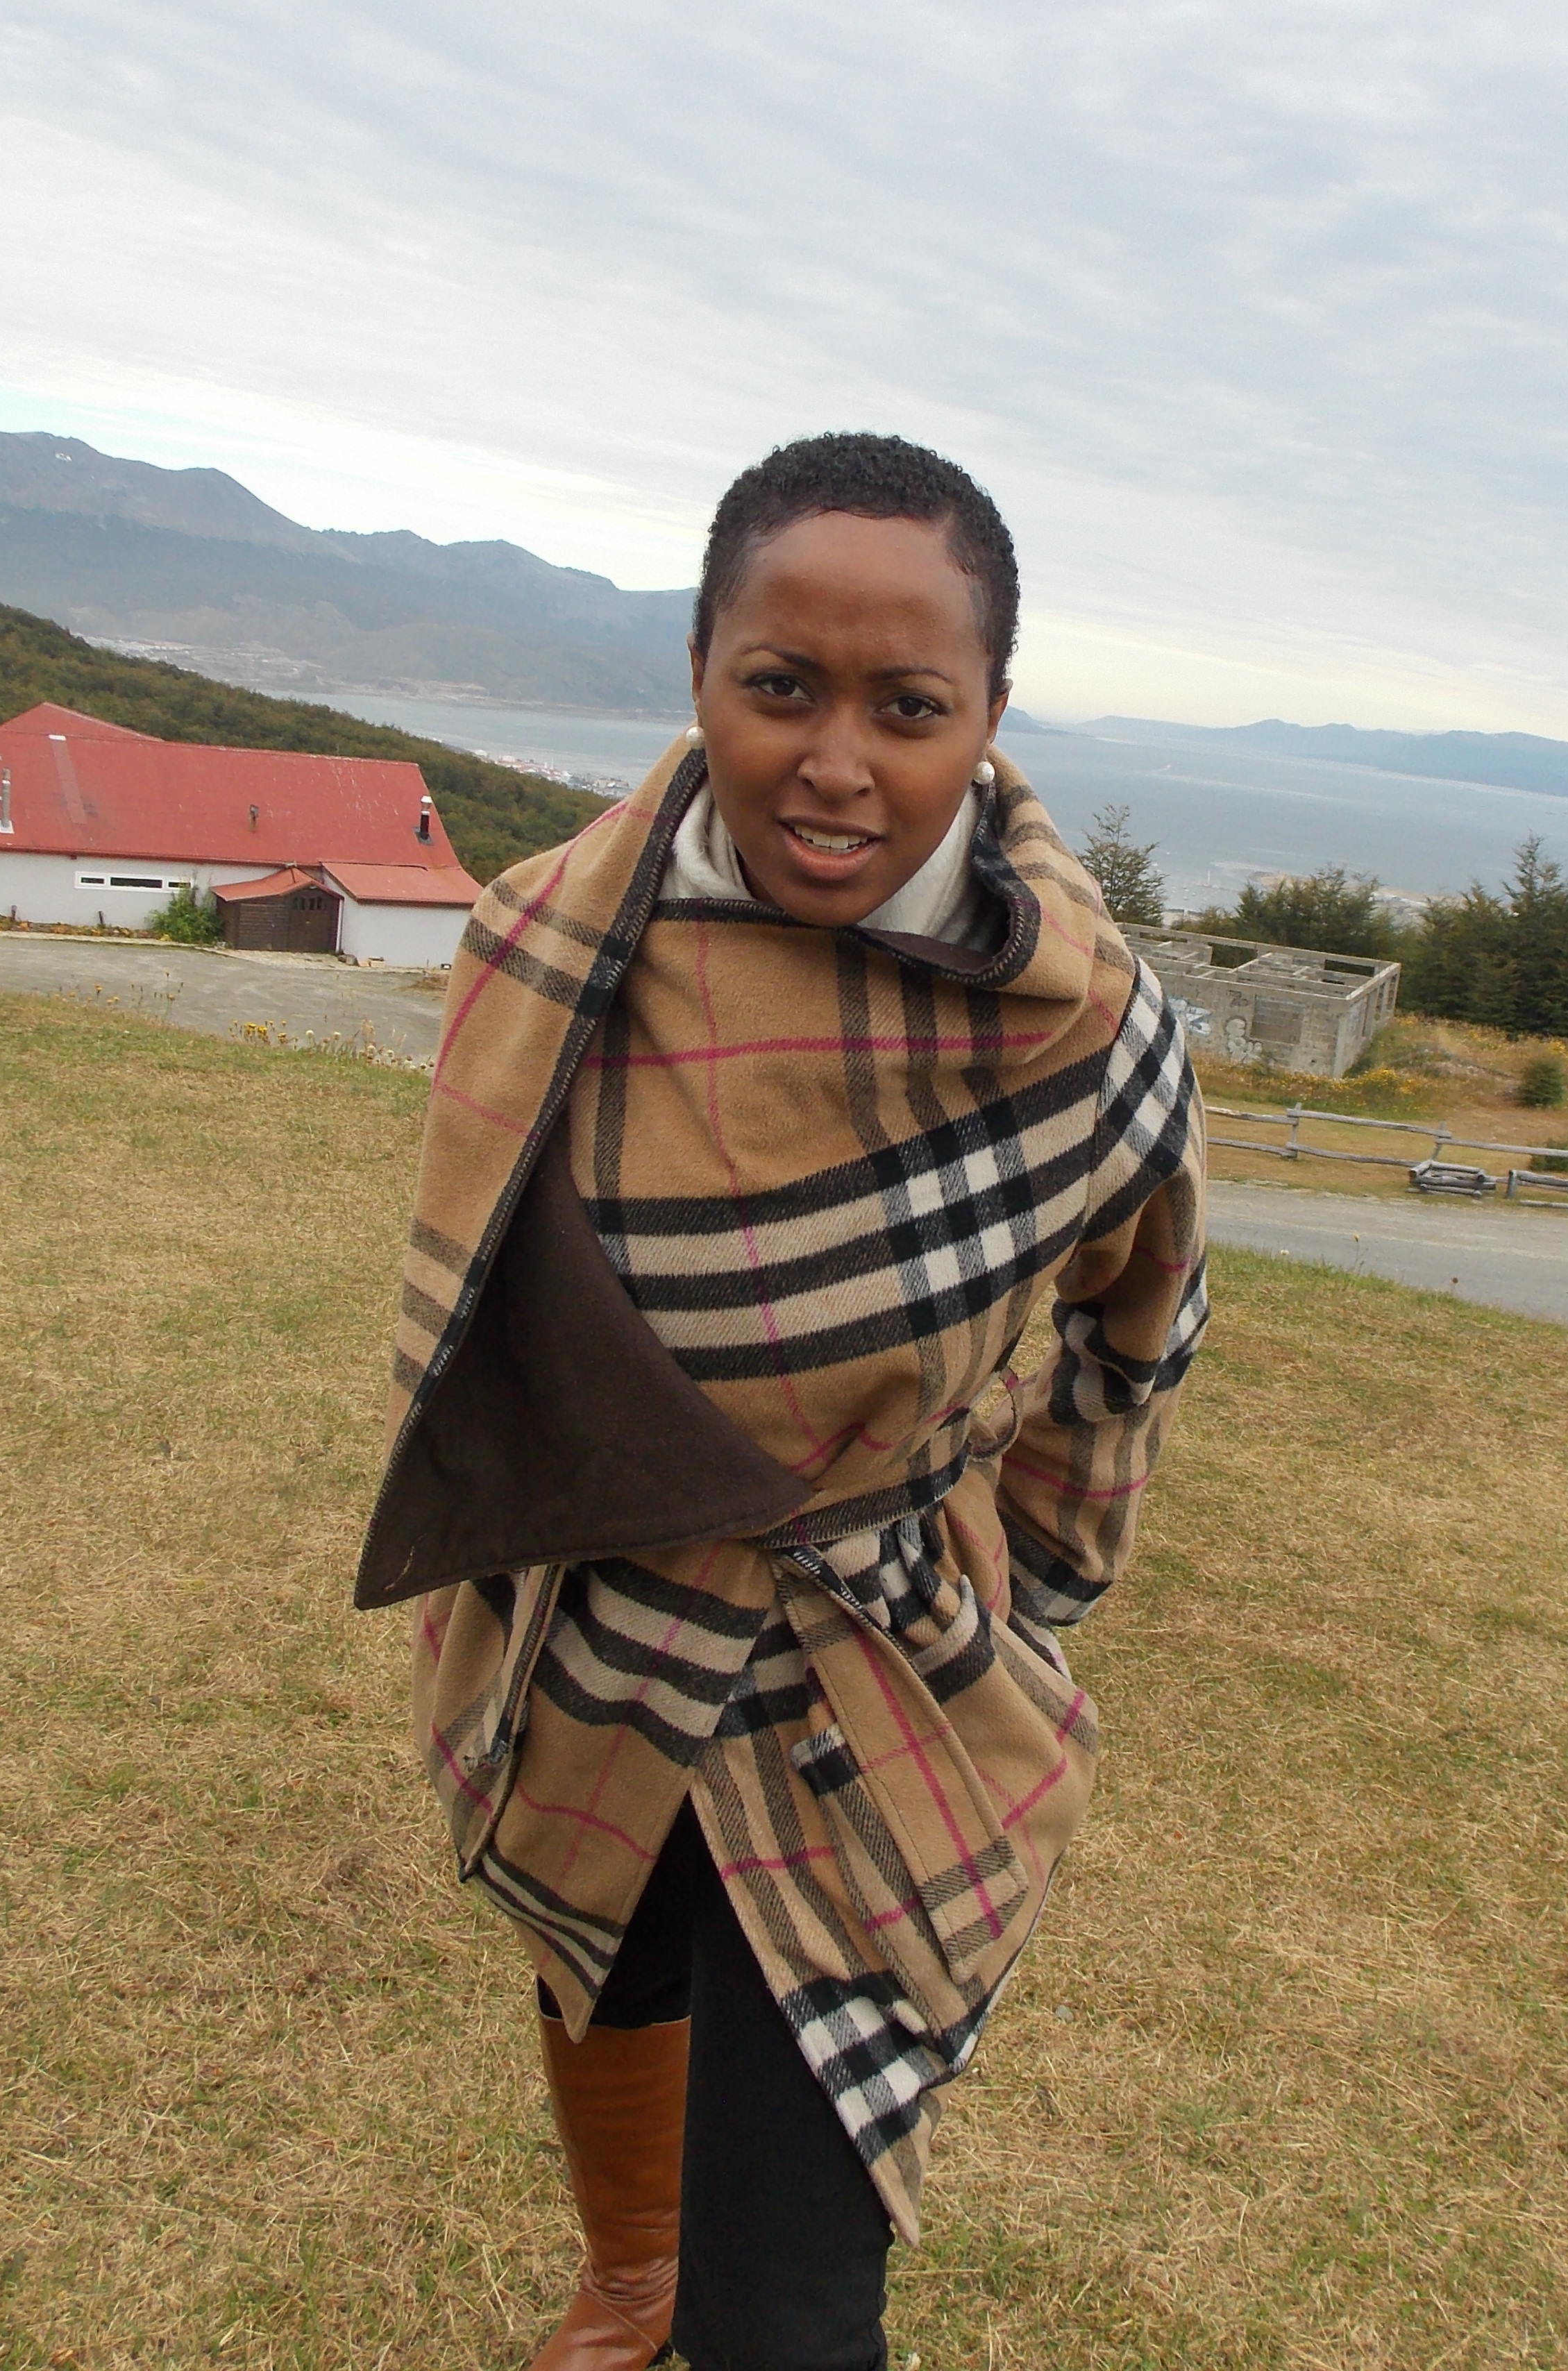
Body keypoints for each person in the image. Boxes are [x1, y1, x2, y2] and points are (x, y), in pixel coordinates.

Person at [353, 433, 1210, 2371]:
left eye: (909, 707)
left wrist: (1038, 1582)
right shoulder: (548, 942)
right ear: (699, 673)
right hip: (594, 1597)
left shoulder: (1088, 1034)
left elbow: (1140, 1324)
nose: (838, 762)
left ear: (988, 717)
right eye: (781, 687)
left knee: (797, 2316)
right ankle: (629, 2275)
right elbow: (483, 1279)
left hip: (870, 1654)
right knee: (609, 1954)